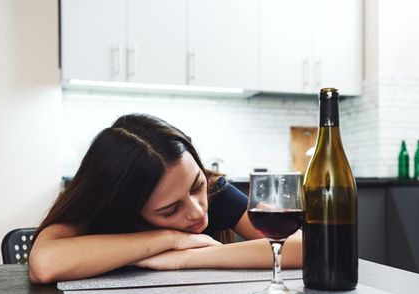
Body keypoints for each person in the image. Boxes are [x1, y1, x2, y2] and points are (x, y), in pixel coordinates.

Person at [29, 114, 302, 284]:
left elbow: (308, 246)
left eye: (195, 187)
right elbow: (45, 264)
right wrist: (171, 240)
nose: (197, 212)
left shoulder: (214, 191)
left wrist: (188, 258)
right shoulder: (102, 209)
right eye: (169, 209)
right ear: (128, 209)